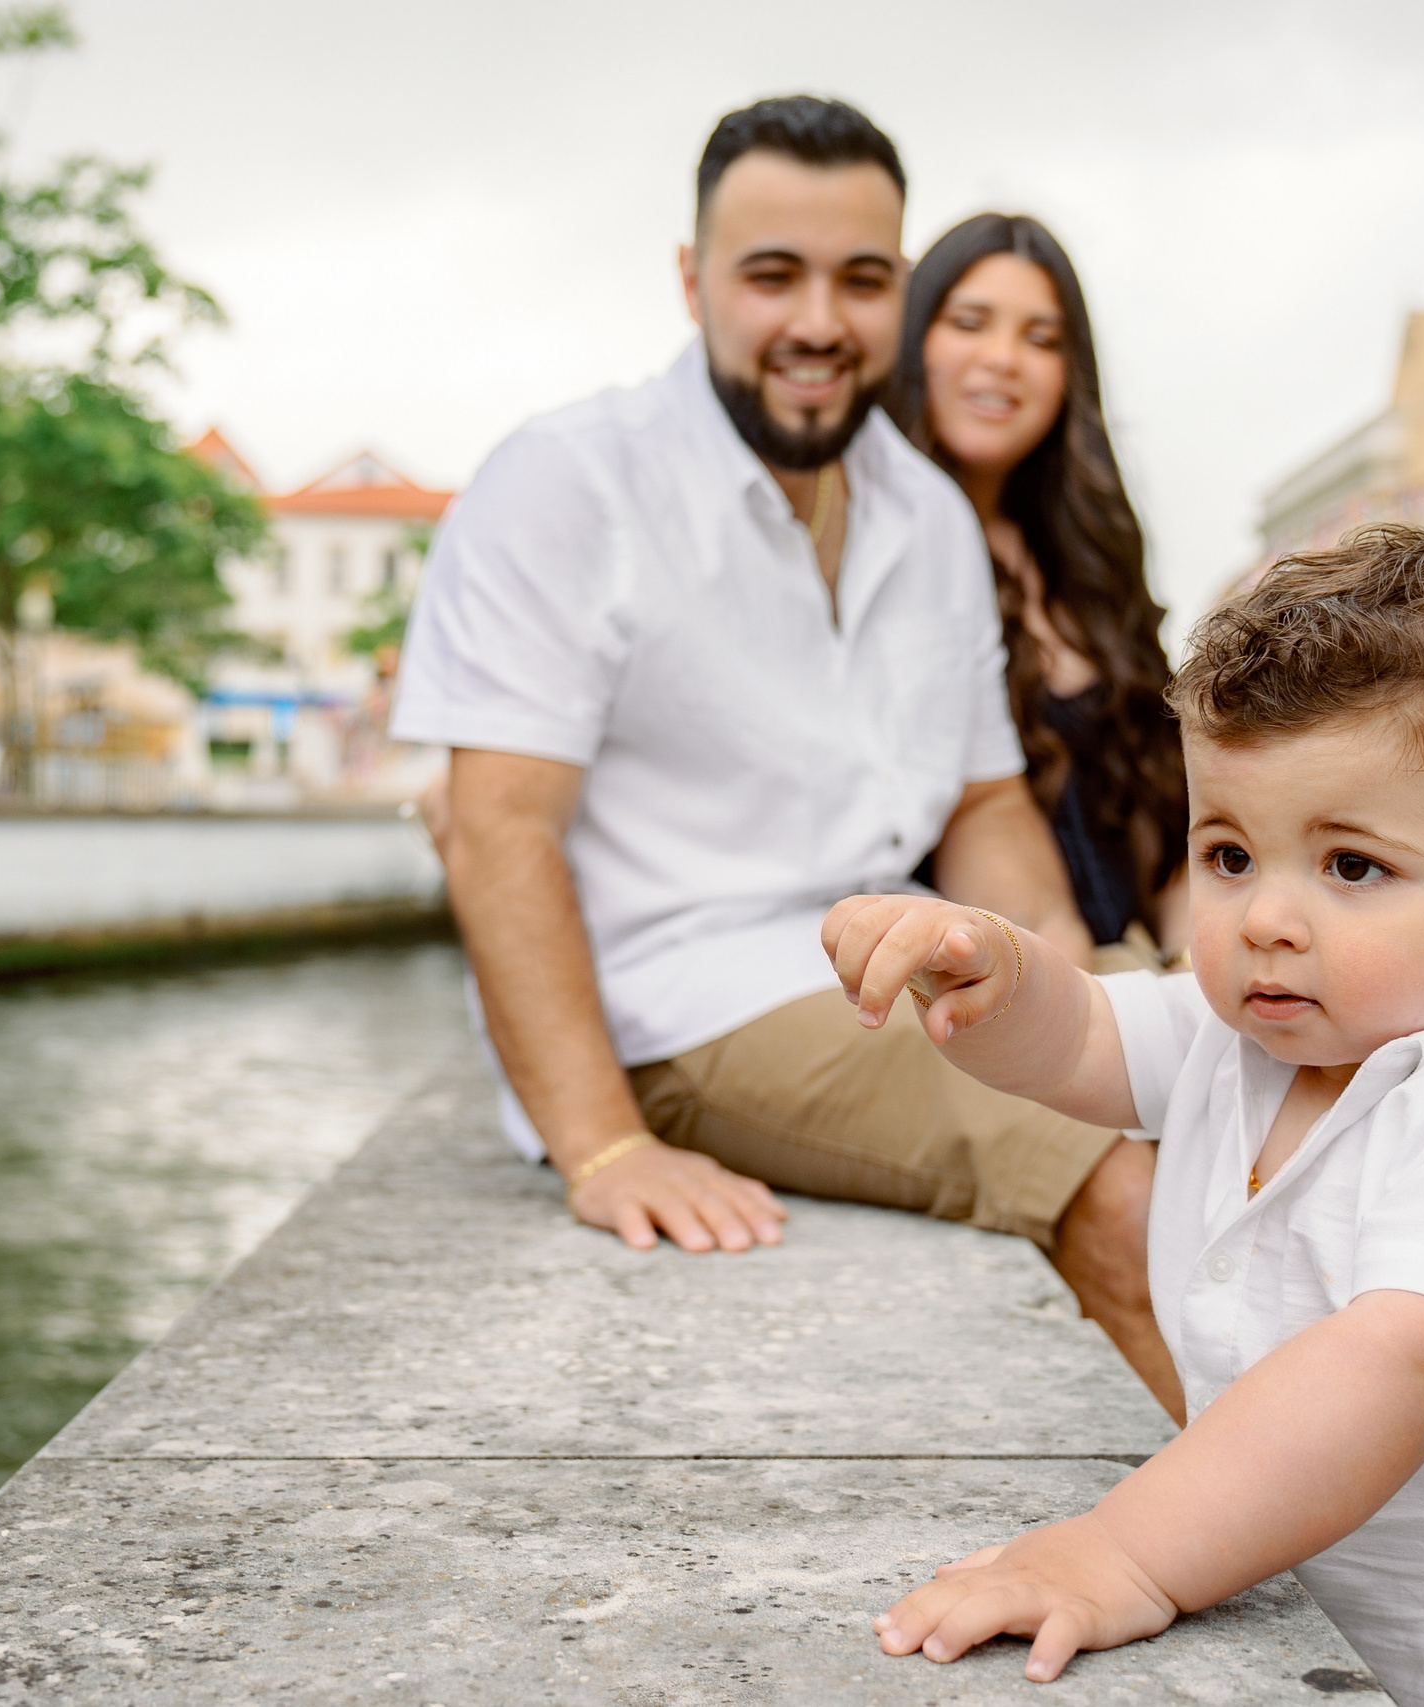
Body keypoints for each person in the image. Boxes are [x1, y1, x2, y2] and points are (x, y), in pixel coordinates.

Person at [824, 524, 1424, 1704]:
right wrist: (992, 968)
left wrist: (1122, 1550)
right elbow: (1085, 1037)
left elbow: (1395, 1372)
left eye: (1350, 867)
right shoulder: (1251, 1033)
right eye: (1227, 853)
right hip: (1349, 1646)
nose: (1265, 918)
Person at [391, 95, 1177, 1415]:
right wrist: (602, 1146)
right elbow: (497, 829)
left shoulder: (926, 515)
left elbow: (986, 798)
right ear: (693, 282)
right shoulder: (567, 483)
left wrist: (1082, 983)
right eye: (773, 274)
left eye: (862, 279)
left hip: (896, 954)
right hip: (687, 1004)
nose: (821, 320)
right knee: (1132, 1180)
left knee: (1260, 1089)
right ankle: (1322, 1579)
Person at [888, 214, 1188, 960]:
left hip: (1136, 972)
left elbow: (1161, 809)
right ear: (913, 339)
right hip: (985, 980)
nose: (1003, 359)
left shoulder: (1090, 556)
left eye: (1041, 338)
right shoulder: (874, 551)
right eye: (970, 322)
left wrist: (1196, 970)